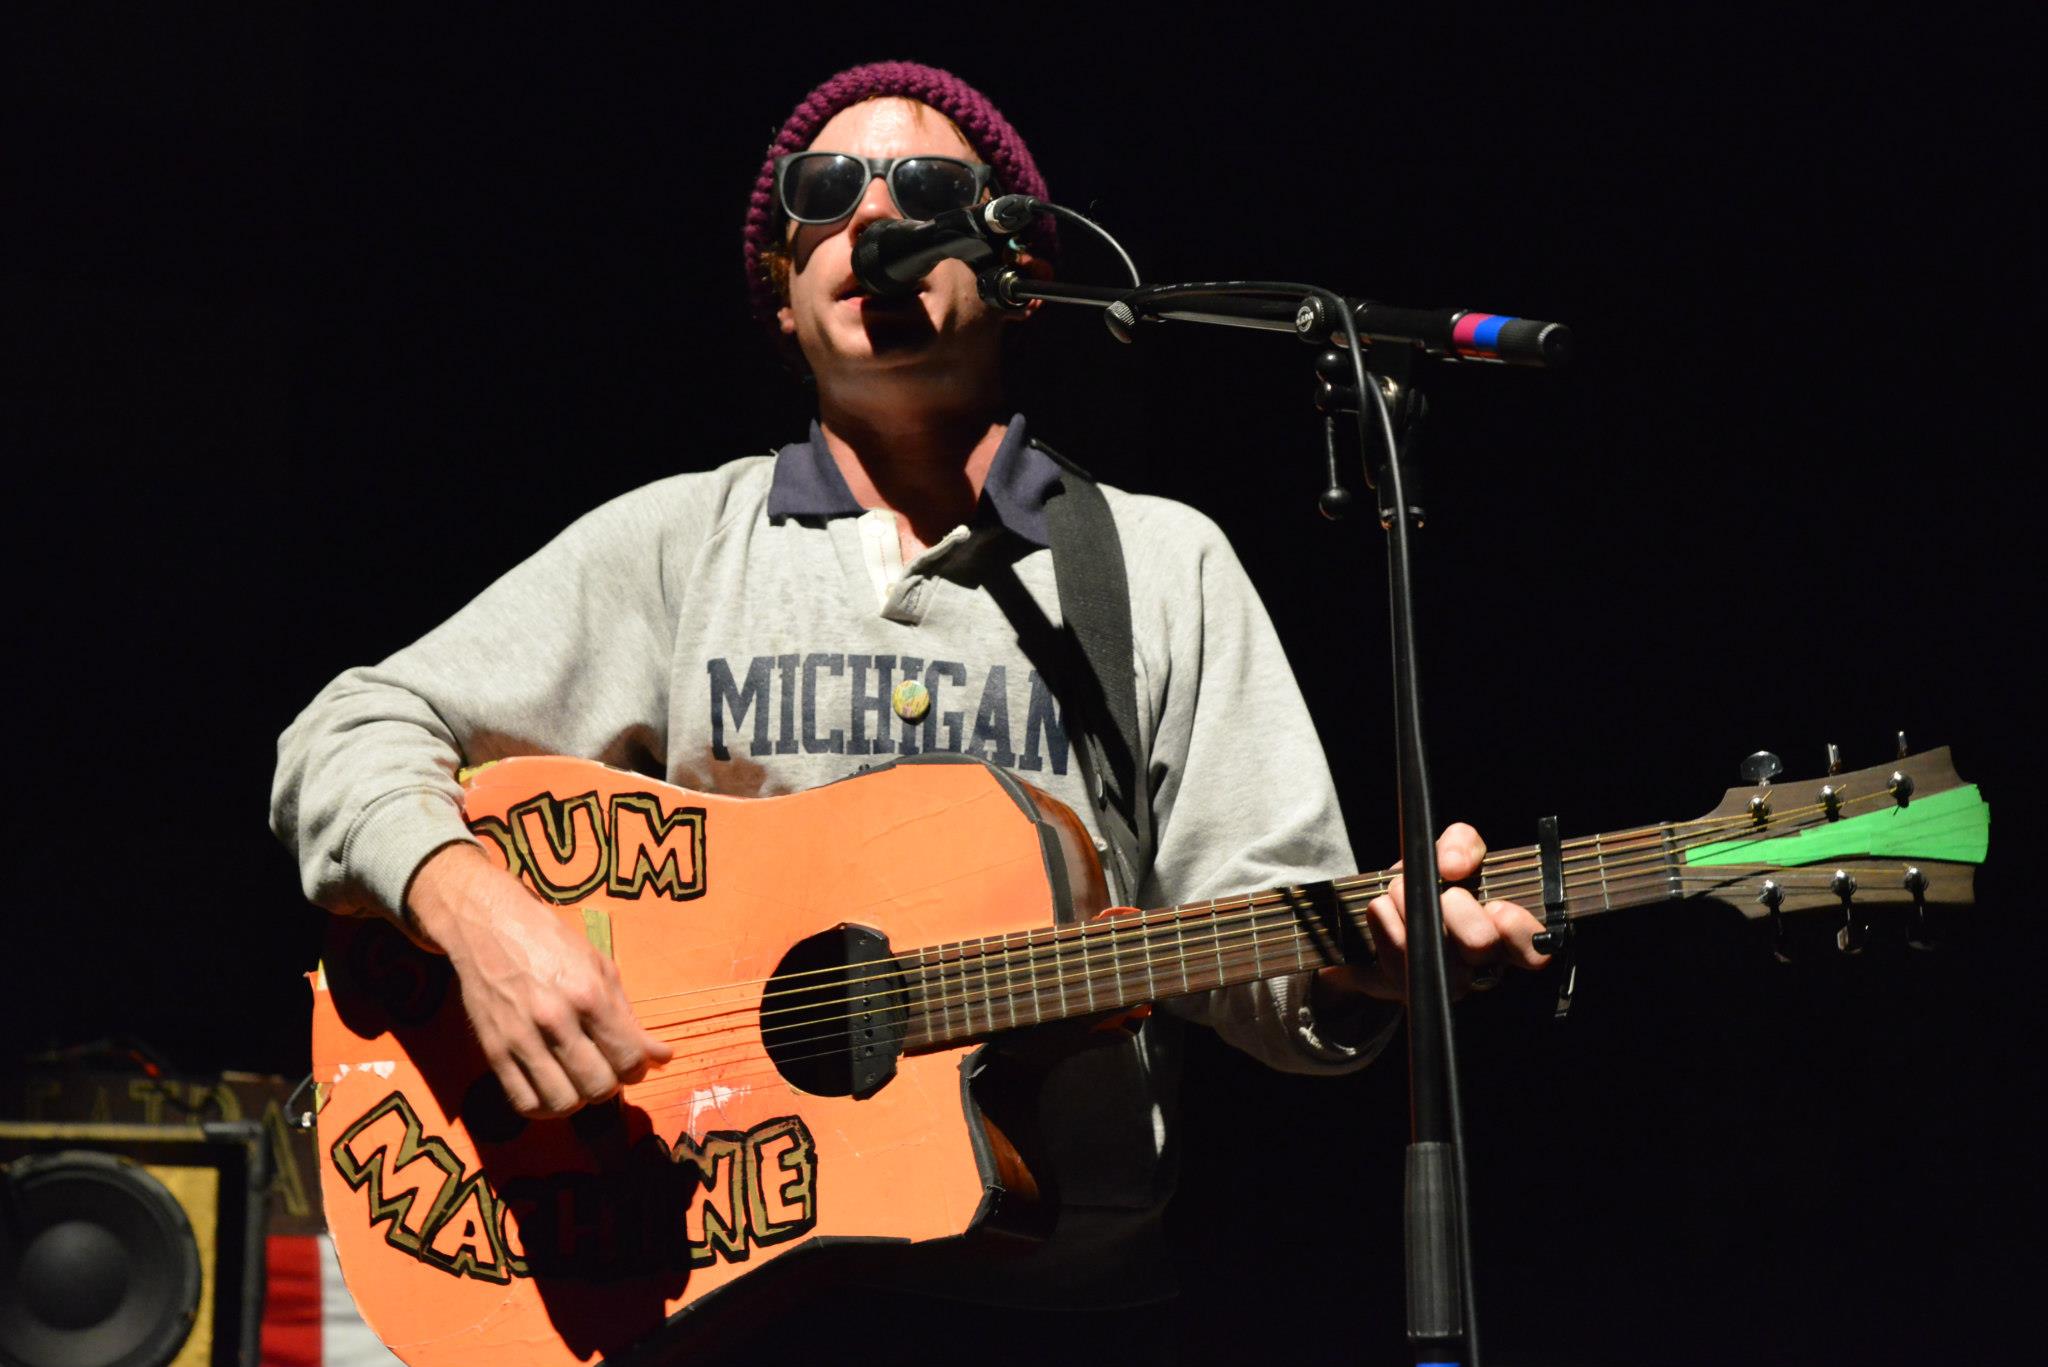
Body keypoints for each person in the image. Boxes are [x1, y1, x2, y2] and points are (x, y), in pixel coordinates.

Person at [272, 58, 1546, 1341]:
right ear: (780, 291)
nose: (872, 220)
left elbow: (1259, 957)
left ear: (1018, 277)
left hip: (1054, 1302)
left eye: (928, 188)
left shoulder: (1158, 565)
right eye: (822, 192)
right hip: (714, 1291)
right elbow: (343, 734)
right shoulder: (680, 544)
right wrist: (481, 917)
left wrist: (1373, 967)